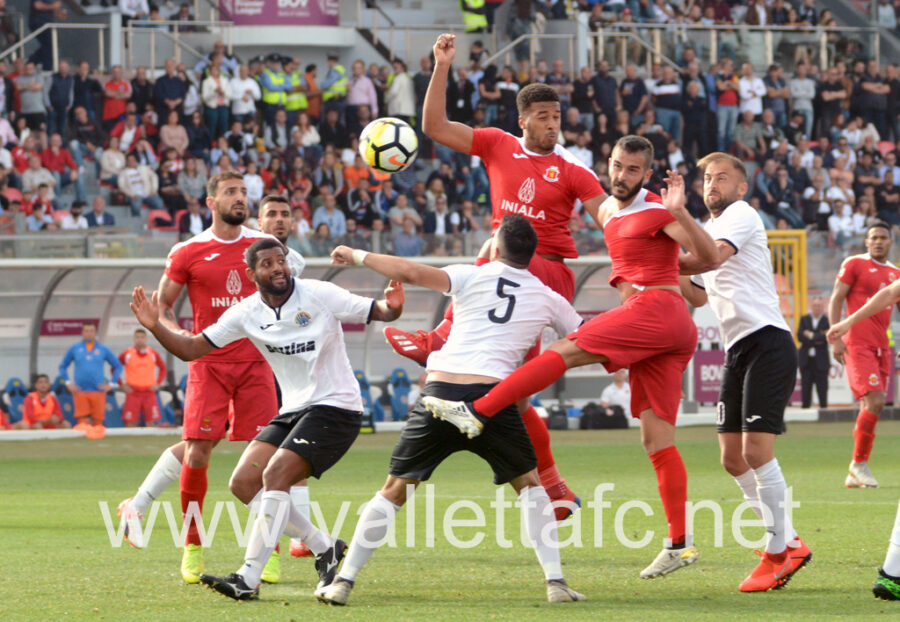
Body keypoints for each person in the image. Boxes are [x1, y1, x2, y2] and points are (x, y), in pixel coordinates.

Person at [425, 135, 718, 579]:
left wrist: (679, 213)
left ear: (647, 173)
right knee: (656, 440)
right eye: (617, 166)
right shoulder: (611, 211)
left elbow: (710, 257)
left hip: (653, 310)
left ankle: (477, 410)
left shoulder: (657, 208)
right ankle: (679, 543)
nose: (621, 176)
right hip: (668, 322)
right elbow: (680, 268)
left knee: (564, 347)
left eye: (632, 170)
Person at [383, 33, 611, 519]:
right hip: (499, 270)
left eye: (558, 117)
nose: (554, 125)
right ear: (523, 120)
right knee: (514, 396)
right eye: (544, 117)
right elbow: (434, 126)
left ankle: (434, 340)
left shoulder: (572, 170)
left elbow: (606, 216)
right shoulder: (497, 144)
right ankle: (555, 490)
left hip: (544, 274)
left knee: (488, 263)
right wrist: (442, 65)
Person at [318, 215, 586, 606]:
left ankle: (343, 581)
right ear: (532, 255)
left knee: (394, 489)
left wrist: (357, 254)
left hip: (441, 390)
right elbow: (585, 339)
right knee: (531, 486)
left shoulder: (471, 275)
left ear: (495, 247)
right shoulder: (548, 297)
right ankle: (556, 584)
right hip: (491, 397)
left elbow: (408, 270)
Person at [127, 237, 404, 601]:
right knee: (243, 483)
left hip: (336, 408)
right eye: (268, 264)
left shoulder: (319, 293)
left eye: (281, 261)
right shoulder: (246, 312)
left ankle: (248, 577)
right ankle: (326, 548)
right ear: (251, 274)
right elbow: (192, 349)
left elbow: (380, 310)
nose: (278, 269)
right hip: (293, 411)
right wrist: (155, 326)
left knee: (274, 475)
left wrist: (394, 306)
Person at [678, 151, 812, 592]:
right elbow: (697, 295)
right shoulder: (708, 229)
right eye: (707, 179)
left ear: (741, 187)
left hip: (768, 341)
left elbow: (711, 260)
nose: (711, 184)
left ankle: (777, 554)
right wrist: (656, 262)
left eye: (721, 178)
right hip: (738, 349)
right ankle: (790, 540)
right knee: (731, 457)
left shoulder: (740, 214)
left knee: (756, 451)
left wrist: (662, 241)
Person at [826, 222, 900, 488]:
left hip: (883, 346)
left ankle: (855, 470)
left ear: (891, 242)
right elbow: (836, 299)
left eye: (883, 238)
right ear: (866, 242)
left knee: (870, 406)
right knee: (877, 401)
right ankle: (859, 463)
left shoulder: (895, 273)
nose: (878, 241)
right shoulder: (854, 263)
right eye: (874, 237)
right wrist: (836, 338)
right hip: (857, 343)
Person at [58, 322, 123, 431]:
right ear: (82, 332)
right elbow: (62, 366)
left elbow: (117, 366)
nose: (89, 333)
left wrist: (111, 384)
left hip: (98, 391)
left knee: (98, 423)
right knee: (82, 424)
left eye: (91, 331)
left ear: (95, 333)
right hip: (80, 391)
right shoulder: (75, 348)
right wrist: (68, 383)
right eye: (86, 331)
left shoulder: (103, 349)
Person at [118, 329, 167, 427]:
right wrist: (122, 384)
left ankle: (151, 441)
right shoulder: (127, 353)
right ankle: (129, 441)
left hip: (149, 392)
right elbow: (115, 367)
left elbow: (163, 368)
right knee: (129, 421)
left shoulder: (153, 353)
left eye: (142, 337)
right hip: (133, 392)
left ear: (146, 339)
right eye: (137, 337)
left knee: (151, 421)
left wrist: (158, 384)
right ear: (134, 339)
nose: (140, 340)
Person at [797, 296, 829, 409]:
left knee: (822, 386)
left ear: (822, 307)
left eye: (819, 305)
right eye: (815, 305)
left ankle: (824, 409)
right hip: (806, 360)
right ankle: (805, 408)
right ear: (812, 307)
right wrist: (818, 337)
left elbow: (827, 337)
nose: (817, 308)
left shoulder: (827, 320)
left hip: (821, 361)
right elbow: (800, 336)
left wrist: (810, 335)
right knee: (806, 386)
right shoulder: (804, 319)